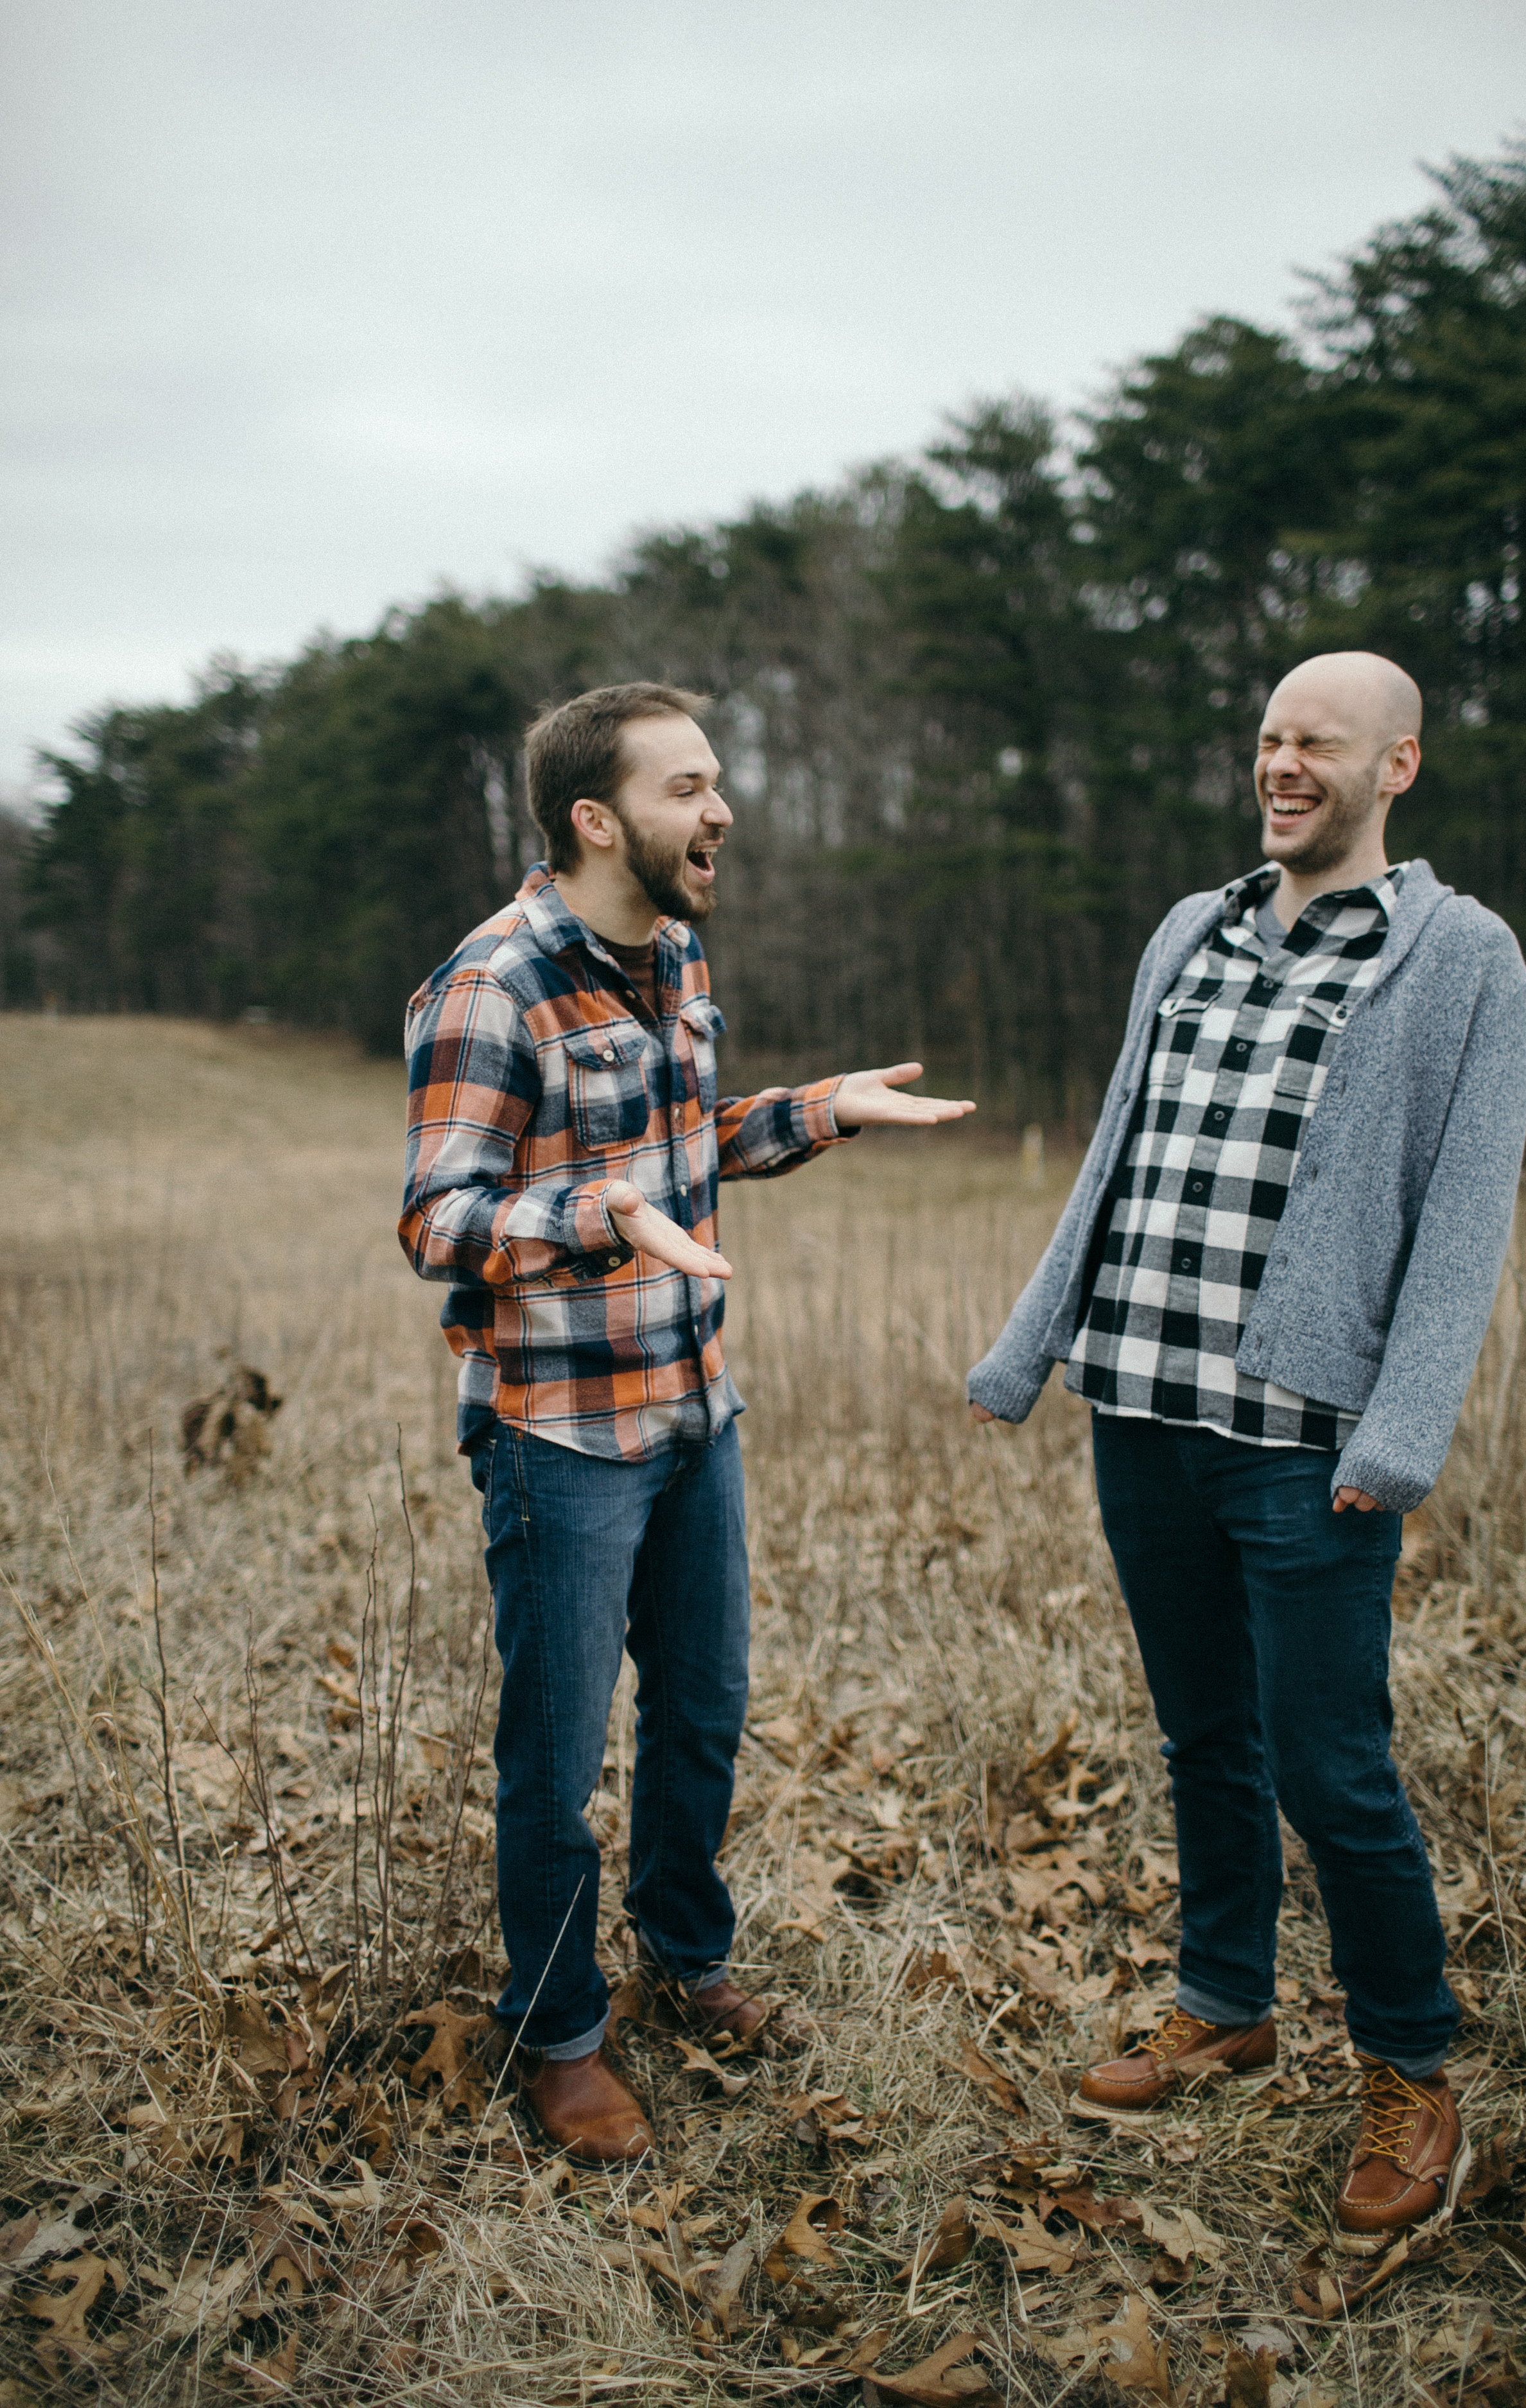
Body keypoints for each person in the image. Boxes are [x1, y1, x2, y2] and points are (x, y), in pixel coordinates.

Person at [967, 652, 1526, 2255]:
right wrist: (1036, 1345)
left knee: (1326, 1764)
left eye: (1319, 745)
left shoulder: (1458, 958)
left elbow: (1463, 1218)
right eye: (1270, 739)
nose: (1283, 766)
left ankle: (1408, 2067)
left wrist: (1402, 1427)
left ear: (1395, 767)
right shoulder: (1190, 927)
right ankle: (1222, 2000)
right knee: (1200, 1738)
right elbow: (1115, 1154)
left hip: (1306, 1444)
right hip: (1138, 1409)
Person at [401, 682, 973, 2164]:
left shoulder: (678, 957)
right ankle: (560, 2033)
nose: (720, 811)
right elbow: (435, 1217)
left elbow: (684, 1145)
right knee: (555, 1754)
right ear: (597, 820)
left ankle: (683, 1951)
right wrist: (598, 1216)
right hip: (559, 1435)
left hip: (694, 1414)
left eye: (718, 784)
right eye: (686, 789)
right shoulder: (493, 987)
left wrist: (819, 1109)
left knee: (704, 1711)